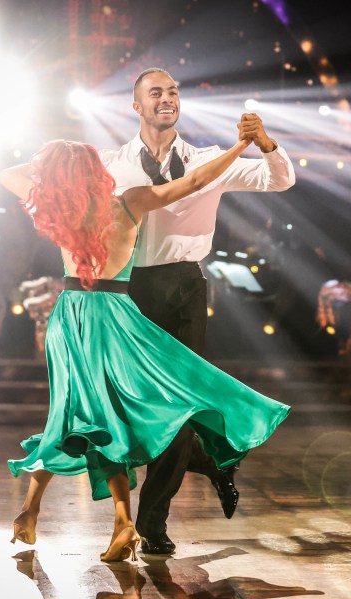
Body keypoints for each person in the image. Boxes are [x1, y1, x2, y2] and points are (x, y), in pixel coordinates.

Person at [0, 129, 289, 562]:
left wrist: (56, 162)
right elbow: (190, 183)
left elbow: (8, 173)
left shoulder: (54, 204)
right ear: (97, 173)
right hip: (112, 316)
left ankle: (37, 512)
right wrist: (239, 147)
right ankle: (119, 521)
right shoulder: (128, 202)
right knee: (102, 420)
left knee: (74, 417)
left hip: (69, 318)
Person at [99, 68, 296, 555]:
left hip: (185, 287)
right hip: (126, 291)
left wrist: (266, 143)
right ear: (136, 106)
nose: (166, 98)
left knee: (181, 411)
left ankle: (152, 522)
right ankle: (211, 461)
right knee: (130, 413)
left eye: (172, 92)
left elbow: (280, 180)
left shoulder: (211, 160)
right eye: (155, 93)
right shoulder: (112, 164)